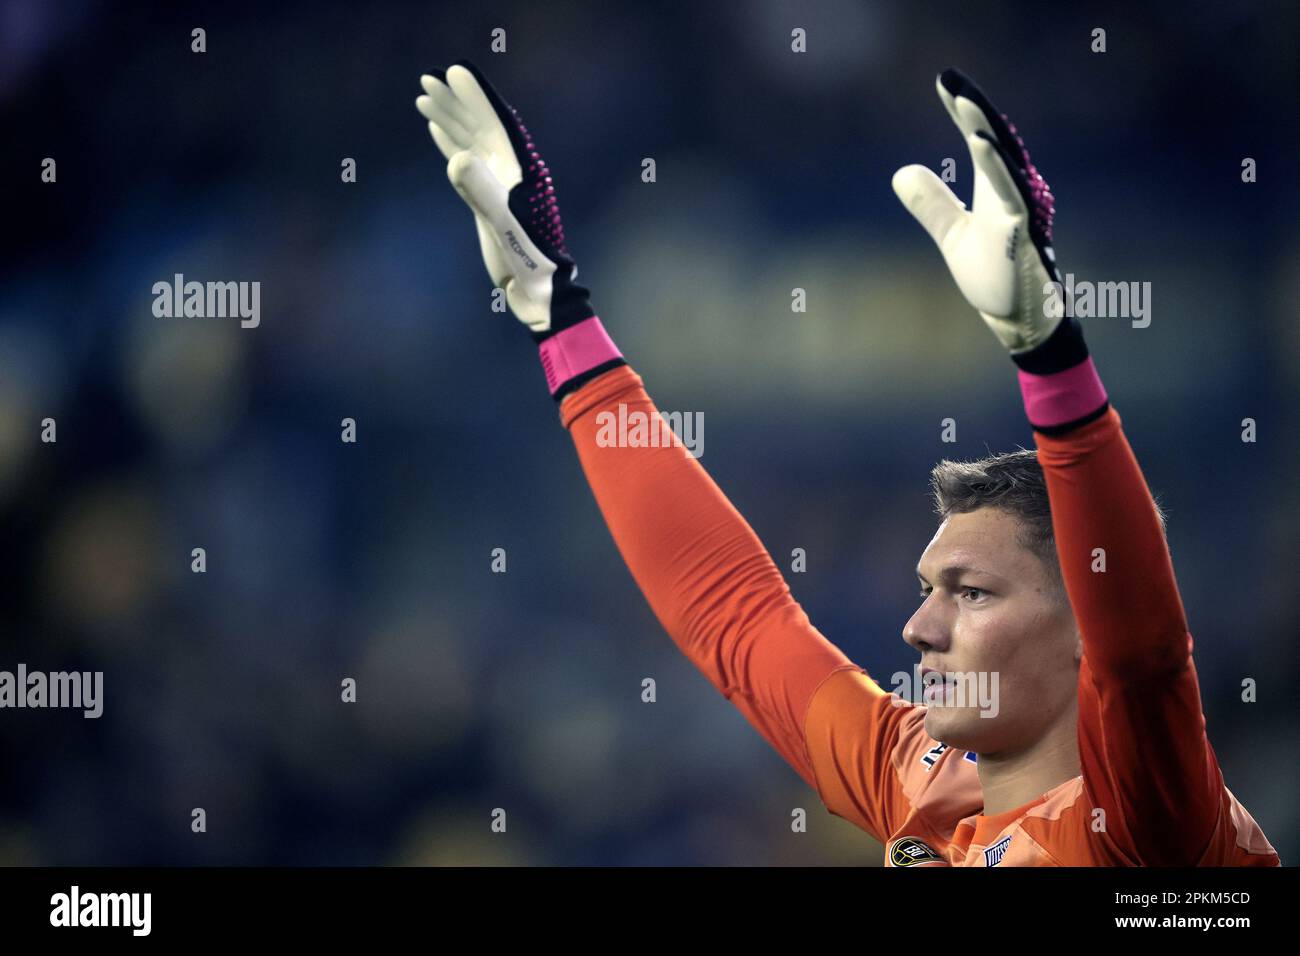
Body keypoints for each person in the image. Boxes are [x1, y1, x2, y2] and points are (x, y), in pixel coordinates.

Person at [415, 61, 1280, 866]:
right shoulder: (920, 783)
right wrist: (560, 319)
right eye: (929, 590)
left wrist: (1050, 354)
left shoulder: (1152, 824)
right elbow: (736, 617)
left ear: (1084, 617)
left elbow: (1143, 648)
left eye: (971, 592)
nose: (919, 630)